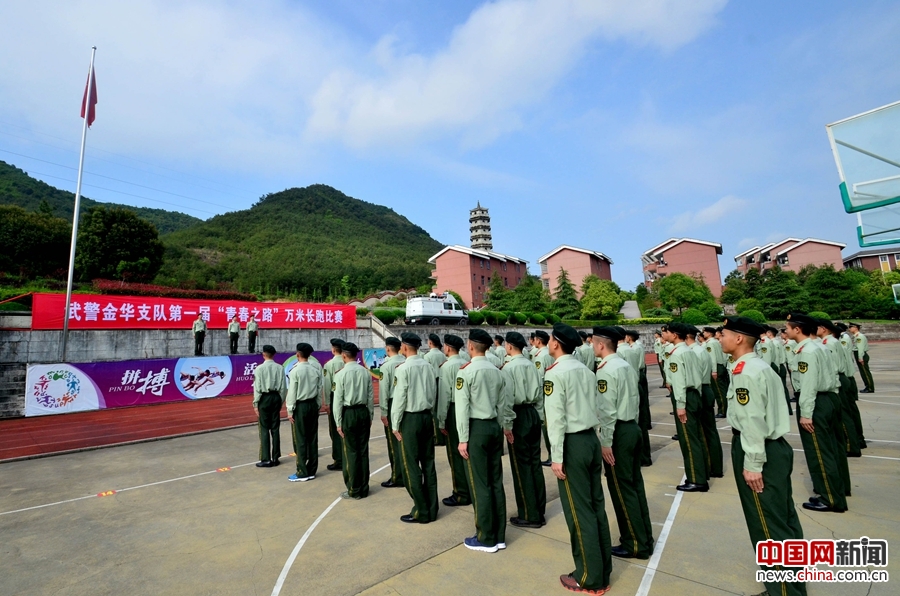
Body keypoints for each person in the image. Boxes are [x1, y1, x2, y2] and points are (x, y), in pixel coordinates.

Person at [720, 316, 807, 596]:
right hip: (774, 447)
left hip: (759, 449)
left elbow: (753, 421)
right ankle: (792, 585)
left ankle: (783, 591)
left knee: (767, 526)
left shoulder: (745, 371)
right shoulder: (755, 366)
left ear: (739, 339)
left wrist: (753, 463)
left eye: (724, 334)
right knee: (783, 519)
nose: (719, 338)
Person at [544, 323, 612, 594]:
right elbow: (600, 407)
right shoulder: (586, 370)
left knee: (578, 512)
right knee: (596, 507)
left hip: (572, 445)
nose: (548, 343)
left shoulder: (555, 373)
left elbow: (556, 419)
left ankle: (588, 577)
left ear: (556, 344)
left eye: (550, 339)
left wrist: (556, 457)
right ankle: (601, 568)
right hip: (590, 441)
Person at [593, 326, 654, 561]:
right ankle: (644, 536)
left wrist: (606, 442)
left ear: (601, 345)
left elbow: (608, 411)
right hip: (632, 427)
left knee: (621, 489)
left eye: (594, 343)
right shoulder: (625, 365)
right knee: (635, 486)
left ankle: (634, 543)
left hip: (618, 432)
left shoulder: (606, 370)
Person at [784, 313, 847, 513]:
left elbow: (809, 384)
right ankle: (840, 489)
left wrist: (806, 413)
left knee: (819, 452)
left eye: (788, 327)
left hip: (816, 401)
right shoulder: (820, 345)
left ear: (797, 329)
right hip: (830, 398)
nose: (785, 330)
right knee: (834, 448)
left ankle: (829, 497)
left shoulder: (807, 352)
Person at [455, 328, 508, 553]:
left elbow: (462, 408)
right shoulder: (497, 371)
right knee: (496, 482)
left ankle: (486, 537)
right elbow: (503, 405)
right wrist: (503, 427)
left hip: (476, 429)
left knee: (480, 484)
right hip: (494, 427)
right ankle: (499, 535)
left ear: (470, 346)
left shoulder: (465, 372)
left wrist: (462, 438)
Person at [392, 332, 439, 524]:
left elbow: (400, 399)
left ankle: (421, 510)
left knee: (411, 465)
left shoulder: (403, 369)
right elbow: (434, 392)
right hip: (427, 417)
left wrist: (395, 424)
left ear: (403, 347)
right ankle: (432, 507)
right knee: (428, 464)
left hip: (410, 419)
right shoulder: (428, 366)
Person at [500, 331, 546, 528]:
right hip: (533, 413)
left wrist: (507, 425)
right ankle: (539, 509)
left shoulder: (508, 368)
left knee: (521, 466)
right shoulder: (531, 364)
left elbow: (507, 400)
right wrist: (540, 417)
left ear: (509, 346)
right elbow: (540, 394)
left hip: (518, 416)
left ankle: (528, 513)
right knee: (534, 463)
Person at [666, 323, 710, 491]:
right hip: (694, 395)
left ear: (675, 335)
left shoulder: (677, 354)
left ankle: (696, 479)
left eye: (668, 332)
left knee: (689, 441)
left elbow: (679, 382)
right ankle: (702, 472)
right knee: (697, 437)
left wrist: (680, 405)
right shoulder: (690, 351)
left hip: (686, 397)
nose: (666, 335)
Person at [333, 342, 374, 500]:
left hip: (349, 413)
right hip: (363, 412)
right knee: (363, 451)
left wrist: (338, 422)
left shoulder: (341, 374)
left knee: (351, 452)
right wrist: (369, 415)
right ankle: (364, 486)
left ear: (344, 355)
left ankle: (354, 489)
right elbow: (370, 396)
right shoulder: (364, 372)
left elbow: (338, 401)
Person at [817, 320, 861, 458]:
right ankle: (855, 442)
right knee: (846, 413)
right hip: (840, 378)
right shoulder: (832, 341)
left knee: (844, 415)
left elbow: (833, 366)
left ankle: (852, 446)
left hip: (838, 378)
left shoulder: (829, 343)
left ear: (823, 329)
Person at [685, 325, 724, 479]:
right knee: (710, 431)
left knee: (703, 432)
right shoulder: (702, 349)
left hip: (700, 390)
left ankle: (707, 468)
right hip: (706, 389)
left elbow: (695, 378)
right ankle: (716, 467)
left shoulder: (694, 352)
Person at [437, 334, 471, 507]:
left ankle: (461, 493)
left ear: (448, 348)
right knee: (468, 452)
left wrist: (441, 420)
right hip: (469, 410)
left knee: (455, 454)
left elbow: (444, 396)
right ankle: (470, 488)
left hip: (453, 409)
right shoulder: (465, 362)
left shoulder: (447, 367)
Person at [287, 343, 322, 482]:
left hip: (301, 406)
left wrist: (290, 410)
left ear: (297, 354)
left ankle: (302, 471)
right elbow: (319, 389)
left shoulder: (295, 371)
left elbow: (292, 393)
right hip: (313, 404)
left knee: (300, 439)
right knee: (312, 438)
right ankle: (312, 469)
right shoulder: (315, 369)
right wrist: (318, 405)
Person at [252, 345, 286, 468]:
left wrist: (256, 404)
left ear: (263, 354)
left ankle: (266, 458)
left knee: (264, 428)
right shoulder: (280, 368)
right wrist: (280, 401)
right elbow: (283, 387)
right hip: (276, 396)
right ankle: (276, 457)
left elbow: (257, 388)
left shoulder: (259, 369)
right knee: (275, 428)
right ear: (274, 354)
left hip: (265, 398)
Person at [379, 337, 406, 488]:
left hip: (392, 404)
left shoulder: (386, 366)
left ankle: (397, 476)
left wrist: (383, 411)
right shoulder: (405, 361)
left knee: (393, 443)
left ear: (388, 349)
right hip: (407, 405)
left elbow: (383, 391)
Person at [836, 323, 866, 449]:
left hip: (846, 376)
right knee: (851, 411)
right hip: (847, 376)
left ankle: (855, 441)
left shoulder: (842, 340)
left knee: (848, 412)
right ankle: (858, 440)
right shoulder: (841, 340)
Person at [532, 330, 555, 466]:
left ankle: (552, 455)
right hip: (552, 392)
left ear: (538, 341)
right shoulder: (550, 353)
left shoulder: (540, 357)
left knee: (547, 428)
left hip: (545, 397)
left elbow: (539, 380)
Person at [324, 339, 346, 472]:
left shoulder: (329, 364)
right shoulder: (346, 361)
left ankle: (338, 459)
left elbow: (327, 385)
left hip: (334, 397)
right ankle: (345, 456)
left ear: (333, 349)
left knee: (335, 429)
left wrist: (327, 402)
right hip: (347, 398)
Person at [425, 334, 448, 446]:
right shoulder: (443, 355)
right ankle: (444, 435)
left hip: (433, 382)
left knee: (434, 410)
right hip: (443, 381)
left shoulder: (428, 356)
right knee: (443, 407)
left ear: (430, 343)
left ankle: (438, 437)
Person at [702, 327, 729, 418]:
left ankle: (723, 411)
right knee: (721, 390)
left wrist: (714, 371)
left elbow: (712, 358)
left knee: (719, 391)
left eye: (705, 332)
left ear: (709, 333)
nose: (703, 333)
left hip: (716, 367)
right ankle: (724, 409)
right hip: (720, 366)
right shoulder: (715, 342)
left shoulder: (710, 343)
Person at [849, 323, 874, 393]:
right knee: (863, 372)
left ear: (856, 328)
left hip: (861, 354)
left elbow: (860, 348)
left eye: (851, 327)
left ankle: (870, 387)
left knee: (865, 372)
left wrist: (860, 357)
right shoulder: (856, 336)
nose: (849, 329)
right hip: (859, 354)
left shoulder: (859, 336)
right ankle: (868, 386)